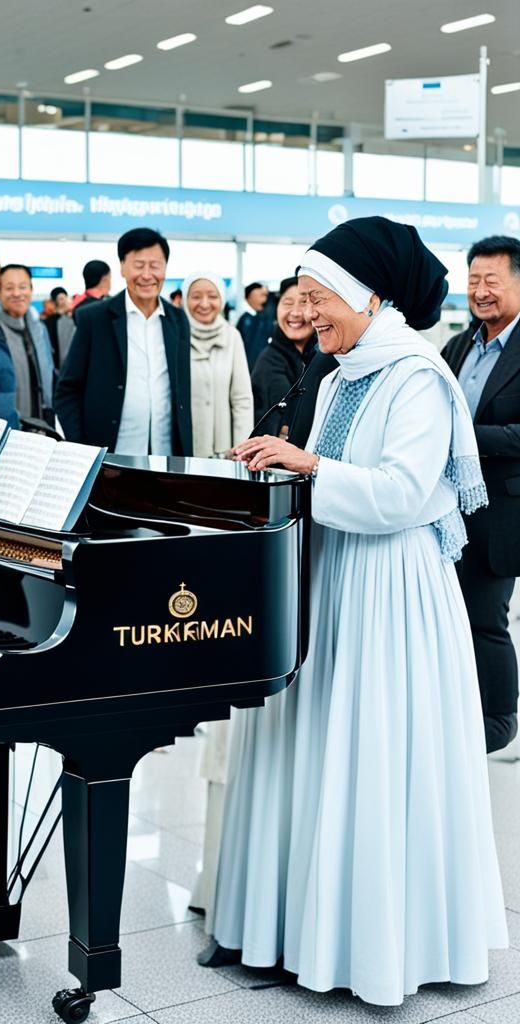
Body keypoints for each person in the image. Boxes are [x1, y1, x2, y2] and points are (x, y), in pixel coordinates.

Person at [209, 216, 506, 1006]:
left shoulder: (415, 375)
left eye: (320, 296)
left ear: (369, 295)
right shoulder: (339, 373)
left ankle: (376, 951)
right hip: (332, 576)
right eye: (302, 297)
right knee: (315, 747)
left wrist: (306, 463)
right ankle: (295, 933)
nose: (308, 313)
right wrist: (271, 463)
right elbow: (325, 476)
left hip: (391, 590)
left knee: (370, 753)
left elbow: (404, 495)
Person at [442, 234, 520, 754]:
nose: (481, 291)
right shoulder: (458, 345)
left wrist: (461, 438)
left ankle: (500, 723)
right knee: (449, 614)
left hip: (502, 513)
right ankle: (458, 706)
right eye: (473, 280)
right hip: (449, 508)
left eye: (492, 280)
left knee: (486, 617)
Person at [56, 227, 192, 455]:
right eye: (139, 265)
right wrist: (81, 447)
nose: (147, 275)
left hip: (167, 457)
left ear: (165, 267)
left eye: (155, 265)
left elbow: (181, 390)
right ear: (122, 267)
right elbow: (67, 390)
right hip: (109, 458)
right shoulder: (94, 318)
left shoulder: (177, 320)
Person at [0, 264, 55, 429]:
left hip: (41, 428)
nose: (17, 293)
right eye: (9, 288)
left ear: (31, 290)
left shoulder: (40, 330)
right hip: (3, 431)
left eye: (23, 287)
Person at [184, 271, 253, 457]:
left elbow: (242, 400)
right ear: (185, 300)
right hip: (182, 451)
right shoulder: (176, 335)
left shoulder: (232, 336)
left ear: (221, 300)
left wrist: (241, 450)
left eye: (212, 296)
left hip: (222, 452)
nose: (204, 303)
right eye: (196, 297)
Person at [250, 277, 319, 437]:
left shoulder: (323, 358)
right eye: (287, 303)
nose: (295, 313)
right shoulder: (269, 362)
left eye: (304, 303)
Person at [235, 282, 272, 370]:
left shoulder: (262, 318)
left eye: (265, 296)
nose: (264, 300)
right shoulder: (246, 320)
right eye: (261, 295)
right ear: (250, 297)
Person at [44, 286, 76, 369]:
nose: (64, 301)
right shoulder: (50, 321)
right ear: (55, 302)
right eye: (61, 299)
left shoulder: (72, 318)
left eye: (65, 298)